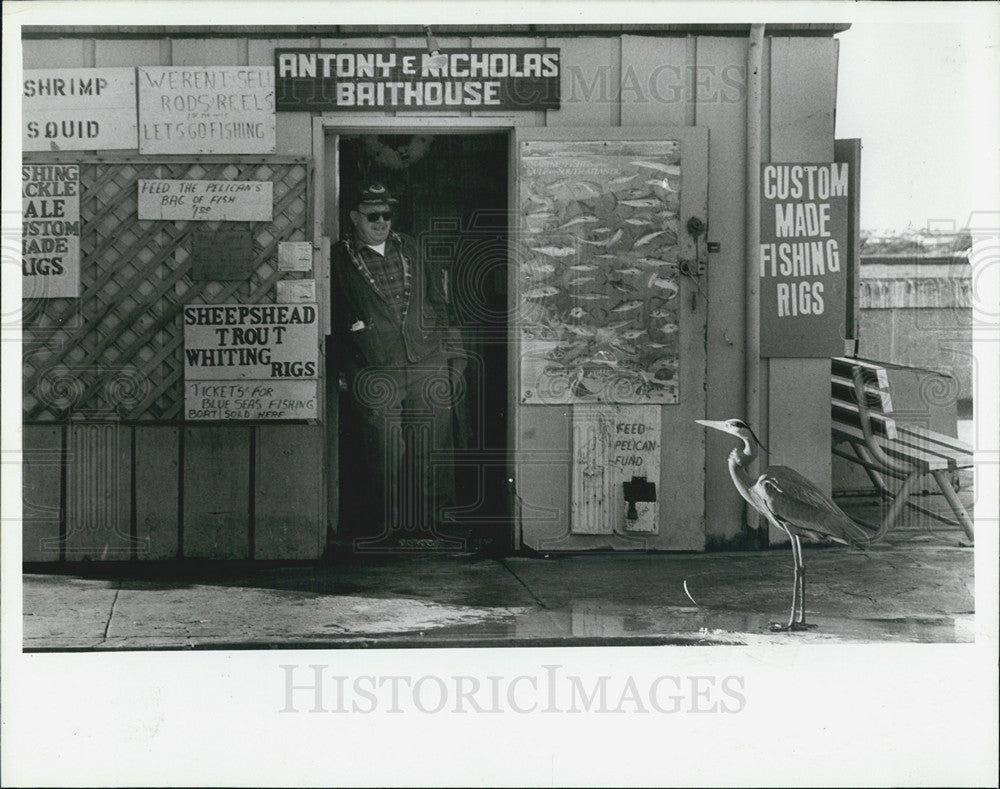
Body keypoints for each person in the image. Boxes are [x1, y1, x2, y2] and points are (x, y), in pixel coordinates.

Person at [330, 181, 458, 546]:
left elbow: (437, 297)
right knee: (384, 448)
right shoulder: (339, 258)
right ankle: (387, 525)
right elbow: (334, 313)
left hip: (424, 360)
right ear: (355, 218)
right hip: (372, 366)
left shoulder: (411, 248)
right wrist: (353, 346)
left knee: (433, 442)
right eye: (373, 215)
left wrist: (435, 337)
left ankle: (433, 523)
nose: (381, 221)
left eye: (387, 214)